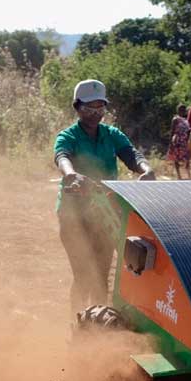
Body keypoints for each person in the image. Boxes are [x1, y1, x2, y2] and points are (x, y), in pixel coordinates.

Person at [54, 79, 155, 313]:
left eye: (100, 107)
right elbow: (62, 157)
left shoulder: (111, 134)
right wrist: (71, 175)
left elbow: (131, 155)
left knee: (101, 274)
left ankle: (98, 325)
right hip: (74, 216)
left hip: (105, 213)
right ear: (77, 107)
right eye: (90, 108)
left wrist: (146, 169)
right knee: (83, 274)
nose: (96, 113)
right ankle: (77, 322)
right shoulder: (68, 136)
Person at [166, 104, 191, 179]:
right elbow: (172, 131)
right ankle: (179, 175)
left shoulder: (186, 119)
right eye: (180, 110)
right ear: (178, 110)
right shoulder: (175, 119)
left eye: (183, 110)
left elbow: (188, 130)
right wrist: (171, 142)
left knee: (187, 157)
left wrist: (188, 139)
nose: (182, 111)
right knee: (176, 157)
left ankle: (188, 174)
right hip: (177, 140)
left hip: (185, 140)